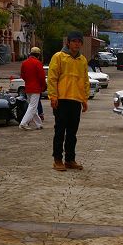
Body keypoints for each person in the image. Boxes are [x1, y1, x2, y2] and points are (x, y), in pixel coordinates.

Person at [47, 30, 89, 171]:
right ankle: (57, 159)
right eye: (74, 41)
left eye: (79, 42)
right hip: (61, 100)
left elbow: (85, 80)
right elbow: (52, 78)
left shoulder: (82, 60)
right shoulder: (59, 57)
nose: (77, 44)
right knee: (60, 131)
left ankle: (70, 159)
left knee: (72, 132)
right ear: (68, 43)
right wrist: (53, 96)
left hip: (75, 100)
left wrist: (84, 99)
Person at [19, 46, 46, 130]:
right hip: (36, 88)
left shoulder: (24, 63)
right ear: (38, 55)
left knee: (32, 106)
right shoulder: (38, 63)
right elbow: (41, 77)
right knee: (33, 107)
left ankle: (39, 124)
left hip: (28, 87)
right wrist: (44, 86)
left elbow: (22, 75)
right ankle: (23, 123)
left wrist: (28, 81)